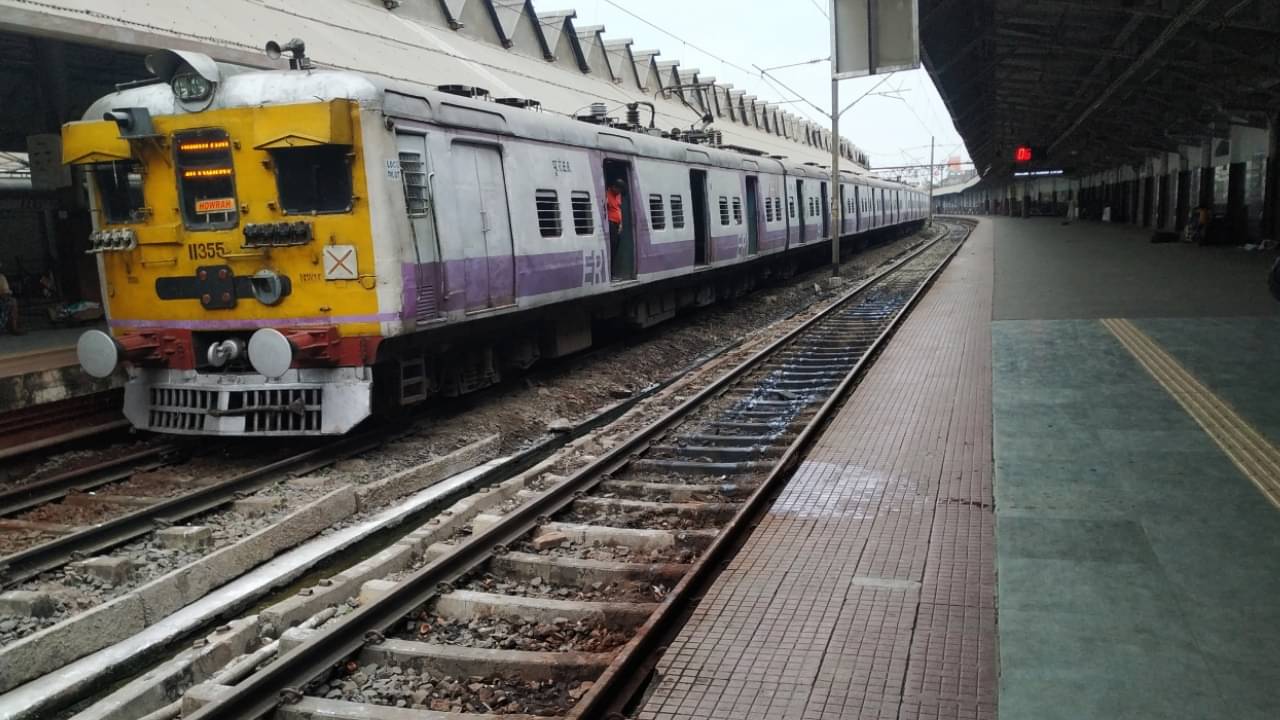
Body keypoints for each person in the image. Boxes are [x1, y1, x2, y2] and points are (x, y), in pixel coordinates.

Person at [0, 260, 23, 335]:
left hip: (2, 299)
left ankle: (14, 327)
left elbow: (5, 292)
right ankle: (14, 328)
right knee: (13, 302)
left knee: (13, 301)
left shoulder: (1, 278)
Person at [606, 178, 625, 255]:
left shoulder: (618, 195)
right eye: (619, 190)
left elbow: (619, 208)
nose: (619, 192)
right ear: (614, 187)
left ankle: (613, 264)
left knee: (617, 244)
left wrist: (621, 223)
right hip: (611, 223)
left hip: (618, 223)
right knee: (612, 244)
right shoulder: (606, 193)